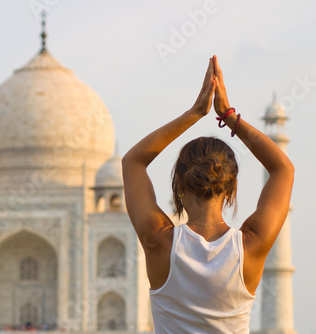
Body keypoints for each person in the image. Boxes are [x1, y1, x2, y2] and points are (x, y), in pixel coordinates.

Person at [121, 55, 294, 333]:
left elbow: (133, 162)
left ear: (177, 185)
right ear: (232, 188)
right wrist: (227, 115)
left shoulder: (159, 241)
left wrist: (195, 113)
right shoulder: (251, 246)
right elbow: (283, 168)